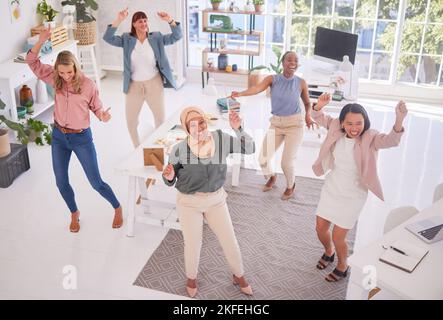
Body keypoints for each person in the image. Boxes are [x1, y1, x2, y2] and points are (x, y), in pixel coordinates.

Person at [26, 27, 123, 233]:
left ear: (76, 68)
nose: (66, 76)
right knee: (61, 182)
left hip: (81, 138)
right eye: (62, 72)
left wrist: (103, 115)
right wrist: (41, 40)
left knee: (95, 182)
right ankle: (74, 213)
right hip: (59, 137)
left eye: (69, 72)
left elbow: (97, 107)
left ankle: (117, 206)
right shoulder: (55, 79)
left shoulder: (88, 85)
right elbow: (32, 62)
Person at [311, 93, 408, 282]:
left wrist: (399, 119)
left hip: (354, 194)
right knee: (320, 228)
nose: (354, 128)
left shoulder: (370, 137)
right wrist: (318, 107)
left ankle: (342, 265)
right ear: (342, 123)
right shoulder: (334, 127)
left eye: (359, 123)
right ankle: (328, 251)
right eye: (349, 123)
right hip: (332, 188)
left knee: (339, 237)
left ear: (365, 122)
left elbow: (391, 141)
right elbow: (317, 117)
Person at [162, 106, 255, 298]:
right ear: (187, 128)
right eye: (192, 124)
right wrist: (169, 177)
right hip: (189, 202)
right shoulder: (178, 149)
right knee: (193, 244)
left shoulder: (220, 139)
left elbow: (250, 148)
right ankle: (191, 278)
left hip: (216, 200)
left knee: (230, 240)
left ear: (206, 121)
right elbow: (170, 180)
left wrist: (238, 128)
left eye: (201, 121)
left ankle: (239, 275)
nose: (199, 127)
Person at [231, 51, 315, 200]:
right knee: (262, 159)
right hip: (276, 123)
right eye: (289, 60)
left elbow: (308, 103)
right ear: (283, 63)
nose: (292, 63)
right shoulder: (272, 79)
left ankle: (291, 185)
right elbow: (256, 89)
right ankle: (272, 177)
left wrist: (308, 115)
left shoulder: (301, 82)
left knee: (286, 163)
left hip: (295, 125)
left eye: (295, 61)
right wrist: (240, 93)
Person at [103, 8, 183, 148]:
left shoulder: (156, 37)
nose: (143, 23)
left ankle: (159, 146)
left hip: (154, 84)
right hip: (134, 86)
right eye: (140, 21)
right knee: (131, 121)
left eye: (145, 20)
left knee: (160, 119)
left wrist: (169, 20)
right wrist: (119, 20)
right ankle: (137, 148)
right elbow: (108, 38)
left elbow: (177, 36)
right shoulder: (127, 39)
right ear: (133, 24)